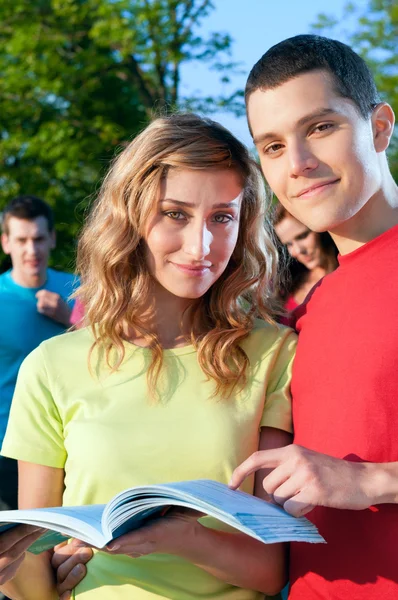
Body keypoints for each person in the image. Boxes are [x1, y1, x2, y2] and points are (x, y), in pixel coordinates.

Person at [0, 114, 296, 600]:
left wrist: (182, 538)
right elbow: (35, 577)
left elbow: (270, 570)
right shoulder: (51, 366)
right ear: (130, 215)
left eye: (222, 217)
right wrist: (21, 575)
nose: (200, 246)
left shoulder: (274, 353)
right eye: (175, 214)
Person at [228, 34, 398, 599]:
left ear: (379, 127)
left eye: (321, 127)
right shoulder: (316, 304)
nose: (297, 164)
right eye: (272, 147)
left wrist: (369, 479)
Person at [0, 195, 79, 511]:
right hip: (7, 446)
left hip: (69, 443)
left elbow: (115, 351)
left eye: (38, 239)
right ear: (6, 243)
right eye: (21, 240)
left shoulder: (79, 290)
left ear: (51, 239)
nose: (30, 250)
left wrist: (70, 319)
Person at [273, 202, 338, 314]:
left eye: (302, 236)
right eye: (289, 244)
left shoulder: (349, 274)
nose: (297, 251)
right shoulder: (289, 284)